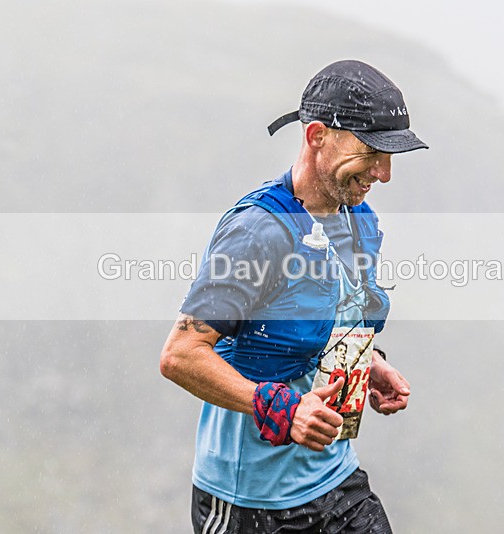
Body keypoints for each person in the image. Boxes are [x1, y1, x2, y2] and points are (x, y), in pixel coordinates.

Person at [160, 59, 427, 534]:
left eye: (391, 157)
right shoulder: (257, 233)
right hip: (250, 503)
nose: (384, 174)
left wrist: (370, 363)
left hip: (335, 480)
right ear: (317, 136)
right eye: (372, 151)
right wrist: (282, 408)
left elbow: (328, 312)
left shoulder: (356, 218)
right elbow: (180, 355)